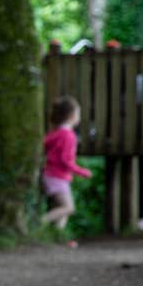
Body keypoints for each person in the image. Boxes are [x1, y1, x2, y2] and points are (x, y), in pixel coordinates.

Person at [41, 96, 91, 231]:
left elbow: (44, 144)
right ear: (72, 115)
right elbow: (65, 160)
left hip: (51, 175)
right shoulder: (68, 135)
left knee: (62, 208)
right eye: (78, 113)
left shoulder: (55, 133)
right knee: (68, 208)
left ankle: (57, 233)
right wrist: (82, 171)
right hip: (57, 177)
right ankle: (39, 223)